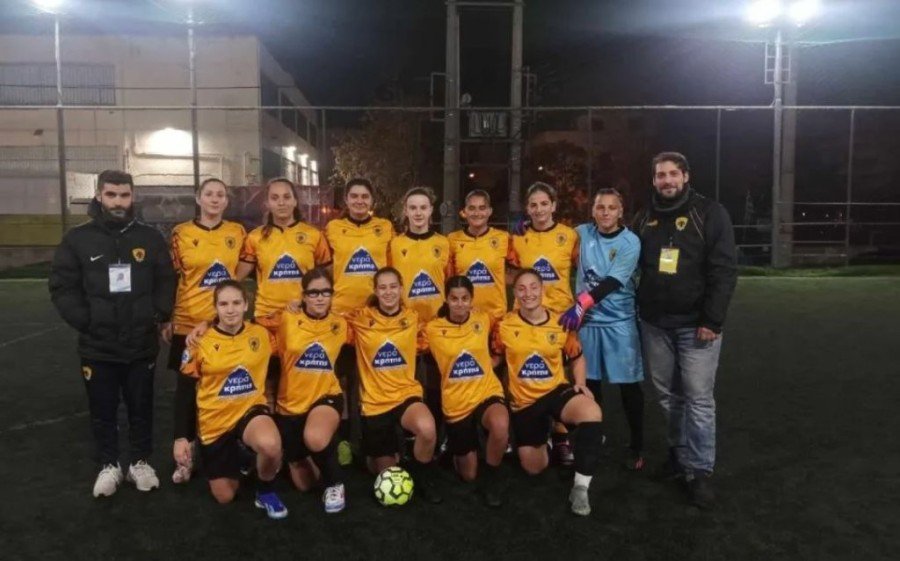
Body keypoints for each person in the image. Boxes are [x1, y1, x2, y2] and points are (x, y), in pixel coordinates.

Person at [49, 169, 175, 498]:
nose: (118, 202)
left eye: (124, 195)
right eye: (111, 195)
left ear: (133, 197)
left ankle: (140, 462)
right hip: (97, 345)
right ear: (99, 196)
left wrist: (158, 314)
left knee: (141, 407)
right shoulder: (77, 239)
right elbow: (62, 286)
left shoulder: (150, 237)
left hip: (141, 343)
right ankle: (109, 465)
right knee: (102, 409)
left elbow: (166, 279)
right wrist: (86, 321)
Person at [633, 151, 737, 509]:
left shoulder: (709, 212)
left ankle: (700, 471)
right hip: (654, 324)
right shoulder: (644, 216)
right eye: (660, 175)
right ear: (653, 180)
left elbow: (724, 270)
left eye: (673, 174)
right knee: (667, 396)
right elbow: (622, 249)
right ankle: (679, 456)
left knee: (698, 399)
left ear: (686, 176)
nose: (667, 181)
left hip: (696, 326)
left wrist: (712, 320)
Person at [492, 269, 605, 516]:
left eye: (534, 287)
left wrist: (581, 383)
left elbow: (577, 357)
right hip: (524, 404)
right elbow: (495, 360)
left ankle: (580, 487)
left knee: (592, 412)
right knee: (534, 467)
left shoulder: (561, 322)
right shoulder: (504, 326)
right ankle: (550, 437)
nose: (528, 293)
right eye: (521, 289)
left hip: (555, 392)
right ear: (515, 293)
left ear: (542, 290)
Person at [176, 281, 288, 519]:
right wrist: (182, 437)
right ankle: (244, 456)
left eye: (236, 303)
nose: (230, 310)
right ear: (215, 307)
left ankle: (266, 491)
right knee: (225, 496)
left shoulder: (262, 334)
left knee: (270, 445)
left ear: (246, 305)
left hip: (250, 411)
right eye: (224, 304)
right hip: (214, 422)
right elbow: (184, 391)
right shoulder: (199, 342)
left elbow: (295, 320)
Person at [166, 177, 246, 484]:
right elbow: (173, 277)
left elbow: (239, 274)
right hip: (188, 324)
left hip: (224, 324)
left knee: (225, 388)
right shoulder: (181, 233)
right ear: (198, 198)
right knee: (187, 392)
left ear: (226, 201)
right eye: (209, 194)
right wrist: (168, 319)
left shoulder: (237, 232)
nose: (215, 199)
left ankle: (228, 451)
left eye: (220, 195)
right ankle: (185, 457)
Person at [561, 188, 645, 471]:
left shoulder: (630, 241)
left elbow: (612, 282)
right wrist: (526, 225)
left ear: (620, 211)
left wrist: (580, 304)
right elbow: (553, 237)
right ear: (593, 211)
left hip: (619, 322)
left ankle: (637, 445)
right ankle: (594, 437)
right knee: (589, 384)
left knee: (628, 386)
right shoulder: (581, 233)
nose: (605, 212)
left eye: (611, 207)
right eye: (600, 207)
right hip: (587, 323)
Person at [345, 267, 442, 503]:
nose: (388, 292)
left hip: (405, 395)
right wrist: (296, 305)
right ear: (375, 291)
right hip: (374, 403)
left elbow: (440, 332)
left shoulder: (413, 319)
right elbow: (327, 320)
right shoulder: (360, 319)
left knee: (427, 429)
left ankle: (422, 477)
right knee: (384, 471)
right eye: (383, 287)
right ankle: (371, 455)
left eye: (393, 287)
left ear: (401, 289)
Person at [237, 177, 331, 400]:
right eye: (275, 197)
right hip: (267, 319)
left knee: (301, 381)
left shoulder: (313, 235)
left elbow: (328, 277)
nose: (281, 202)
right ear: (267, 203)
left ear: (295, 201)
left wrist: (314, 302)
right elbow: (235, 277)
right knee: (268, 382)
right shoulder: (255, 237)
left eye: (287, 197)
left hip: (303, 319)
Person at [508, 181, 580, 466]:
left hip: (560, 319)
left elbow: (587, 269)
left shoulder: (570, 236)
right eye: (533, 205)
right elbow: (507, 271)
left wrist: (581, 306)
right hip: (523, 317)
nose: (539, 209)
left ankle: (561, 438)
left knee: (559, 377)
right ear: (527, 209)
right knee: (522, 373)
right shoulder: (517, 238)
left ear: (554, 205)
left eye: (544, 204)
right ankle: (524, 430)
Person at [324, 178, 394, 460]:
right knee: (340, 381)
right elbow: (325, 266)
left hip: (375, 318)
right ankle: (343, 440)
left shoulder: (385, 228)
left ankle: (369, 440)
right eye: (354, 196)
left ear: (372, 200)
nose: (359, 201)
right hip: (340, 317)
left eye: (365, 196)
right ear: (346, 200)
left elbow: (391, 267)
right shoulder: (333, 228)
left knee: (370, 381)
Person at [424, 276, 508, 507]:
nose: (460, 304)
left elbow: (504, 338)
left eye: (464, 298)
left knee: (500, 424)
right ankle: (454, 447)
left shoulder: (484, 319)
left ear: (472, 300)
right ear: (446, 300)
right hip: (456, 403)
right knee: (469, 475)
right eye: (454, 299)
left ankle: (492, 479)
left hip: (486, 392)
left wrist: (494, 359)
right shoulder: (432, 329)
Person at [276, 268, 348, 513]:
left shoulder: (341, 323)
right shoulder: (286, 319)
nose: (320, 298)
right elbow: (245, 325)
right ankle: (311, 453)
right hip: (290, 406)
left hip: (326, 396)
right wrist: (205, 324)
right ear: (304, 295)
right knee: (304, 484)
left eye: (325, 292)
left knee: (315, 437)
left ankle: (335, 484)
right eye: (313, 293)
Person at [389, 186, 452, 435]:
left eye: (423, 208)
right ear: (405, 211)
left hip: (437, 325)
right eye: (413, 208)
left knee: (437, 383)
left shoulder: (443, 244)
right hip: (405, 327)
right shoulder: (395, 244)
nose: (418, 213)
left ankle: (438, 435)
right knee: (408, 384)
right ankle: (409, 434)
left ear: (431, 210)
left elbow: (449, 280)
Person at [448, 190, 510, 325]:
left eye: (482, 208)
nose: (477, 213)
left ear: (489, 211)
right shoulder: (452, 240)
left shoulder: (504, 238)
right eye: (472, 208)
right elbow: (448, 278)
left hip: (496, 319)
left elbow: (518, 271)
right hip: (465, 318)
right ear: (464, 212)